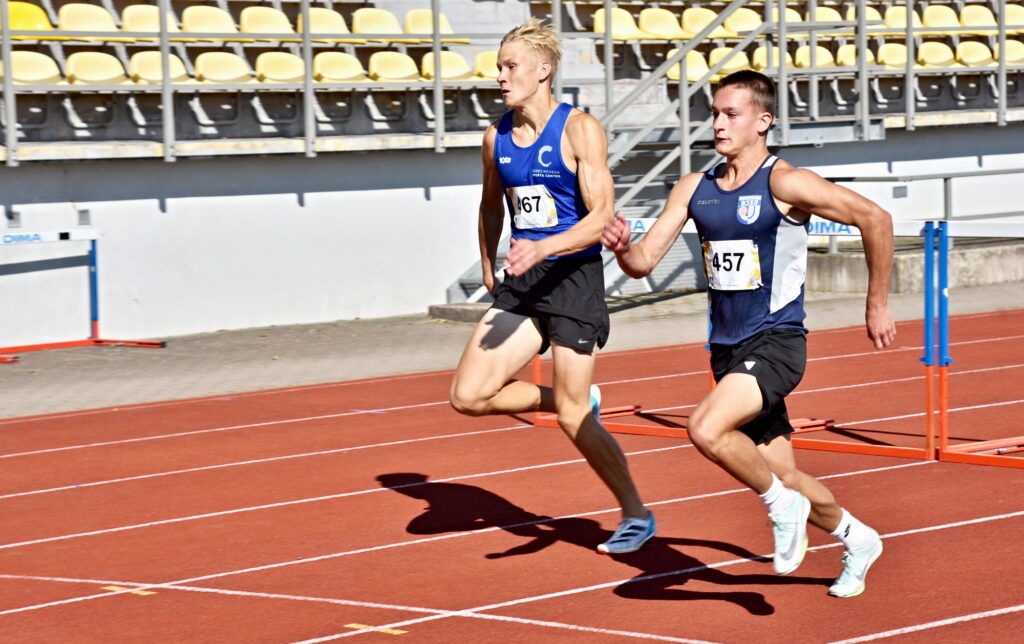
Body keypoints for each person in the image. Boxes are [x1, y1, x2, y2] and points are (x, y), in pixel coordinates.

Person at [602, 70, 896, 597]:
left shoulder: (786, 183)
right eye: (714, 114)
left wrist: (875, 304)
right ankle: (859, 539)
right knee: (785, 475)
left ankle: (781, 509)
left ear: (762, 121)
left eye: (730, 114)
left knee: (705, 428)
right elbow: (643, 263)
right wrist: (624, 247)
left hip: (777, 342)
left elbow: (875, 218)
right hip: (727, 350)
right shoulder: (695, 188)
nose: (718, 124)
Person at [448, 18, 655, 554]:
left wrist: (543, 247)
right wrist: (489, 261)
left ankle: (636, 514)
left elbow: (601, 214)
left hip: (572, 278)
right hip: (523, 280)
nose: (500, 76)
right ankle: (572, 396)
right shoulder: (495, 136)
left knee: (572, 417)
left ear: (543, 70)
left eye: (510, 66)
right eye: (498, 67)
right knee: (468, 396)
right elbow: (490, 205)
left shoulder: (579, 129)